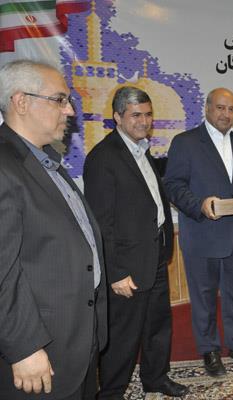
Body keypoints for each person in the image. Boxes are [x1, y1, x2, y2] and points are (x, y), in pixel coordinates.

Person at [0, 59, 107, 399]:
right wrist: (24, 347)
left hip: (75, 338)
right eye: (60, 100)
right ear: (21, 102)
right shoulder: (4, 165)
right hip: (37, 351)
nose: (70, 110)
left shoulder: (45, 161)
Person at [83, 87, 188, 398]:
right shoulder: (103, 158)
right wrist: (115, 272)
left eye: (148, 114)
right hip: (126, 267)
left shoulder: (142, 150)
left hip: (154, 256)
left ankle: (156, 378)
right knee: (123, 336)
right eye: (136, 115)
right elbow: (101, 223)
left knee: (158, 326)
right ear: (117, 117)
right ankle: (112, 392)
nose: (144, 121)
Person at [164, 88, 233, 376]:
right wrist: (199, 205)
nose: (226, 114)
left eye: (231, 109)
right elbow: (173, 185)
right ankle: (209, 350)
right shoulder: (185, 142)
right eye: (220, 107)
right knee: (204, 299)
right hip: (202, 234)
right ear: (206, 108)